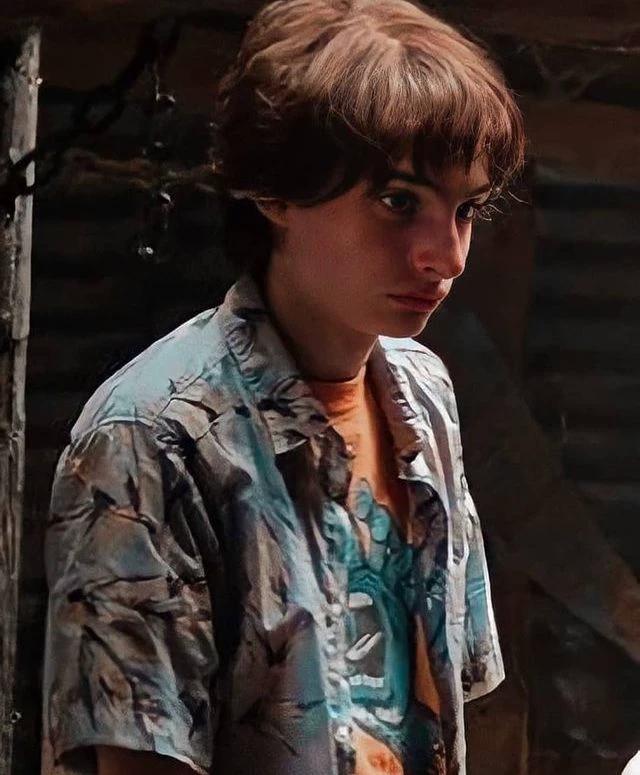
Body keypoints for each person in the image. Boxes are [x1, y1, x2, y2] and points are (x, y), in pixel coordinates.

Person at [42, 1, 525, 774]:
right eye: (399, 202)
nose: (448, 256)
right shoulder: (151, 439)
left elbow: (451, 701)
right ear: (275, 192)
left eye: (465, 209)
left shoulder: (425, 396)